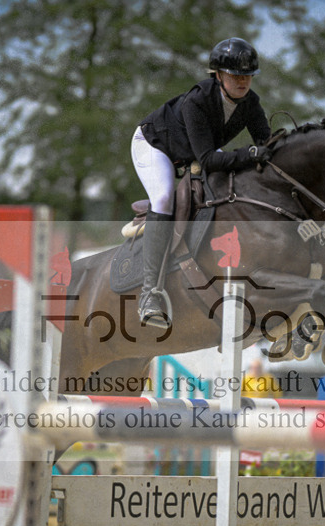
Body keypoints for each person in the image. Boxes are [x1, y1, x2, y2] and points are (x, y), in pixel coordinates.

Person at [131, 37, 272, 329]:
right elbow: (207, 160)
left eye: (247, 76)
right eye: (235, 75)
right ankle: (149, 294)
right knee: (163, 199)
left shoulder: (250, 103)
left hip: (192, 151)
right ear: (218, 75)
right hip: (155, 145)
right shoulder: (198, 100)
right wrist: (249, 154)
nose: (243, 81)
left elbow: (264, 143)